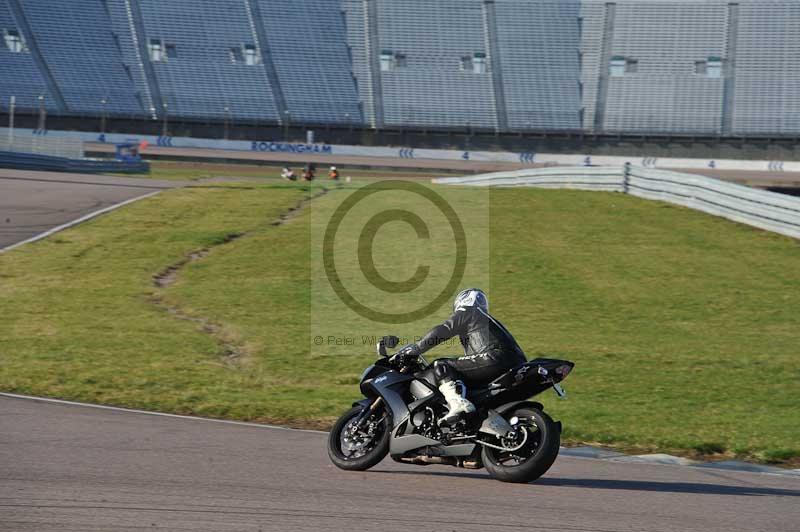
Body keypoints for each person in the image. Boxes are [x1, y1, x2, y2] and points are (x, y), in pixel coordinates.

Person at [393, 289, 527, 425]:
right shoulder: (487, 320)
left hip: (495, 358)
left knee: (441, 365)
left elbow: (443, 330)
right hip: (516, 363)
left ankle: (458, 404)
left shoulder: (468, 311)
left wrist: (415, 350)